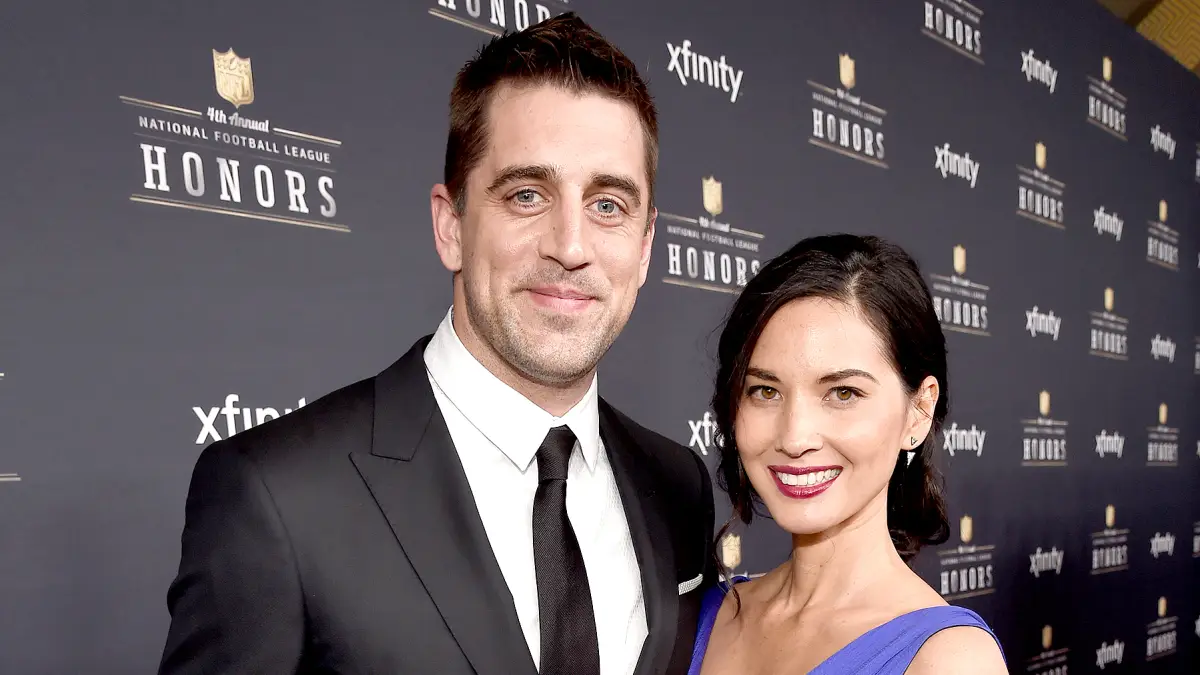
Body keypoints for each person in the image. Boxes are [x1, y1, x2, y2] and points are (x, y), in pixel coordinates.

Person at [157, 13, 715, 675]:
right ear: (450, 225)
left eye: (608, 205)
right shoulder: (277, 496)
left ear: (646, 247)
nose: (571, 246)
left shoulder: (677, 484)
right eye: (528, 194)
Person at [687, 234, 1007, 674]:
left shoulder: (949, 661)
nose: (795, 437)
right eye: (765, 391)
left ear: (918, 412)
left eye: (842, 392)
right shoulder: (704, 612)